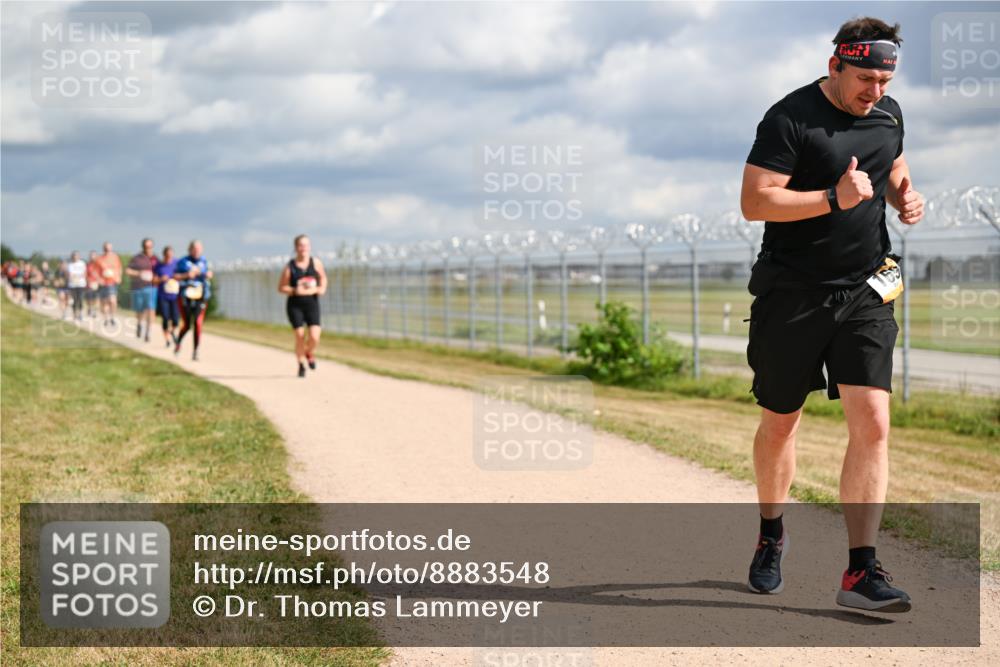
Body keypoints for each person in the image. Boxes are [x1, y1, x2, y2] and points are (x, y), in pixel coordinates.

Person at [740, 17, 924, 612]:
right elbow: (755, 201)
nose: (876, 90)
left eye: (886, 78)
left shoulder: (890, 112)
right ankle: (772, 532)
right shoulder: (789, 118)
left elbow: (892, 163)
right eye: (866, 78)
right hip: (792, 293)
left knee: (872, 422)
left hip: (868, 289)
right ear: (835, 67)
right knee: (781, 422)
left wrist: (904, 194)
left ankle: (859, 573)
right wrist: (830, 198)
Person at [278, 234, 328, 377]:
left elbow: (323, 278)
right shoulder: (290, 267)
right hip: (295, 304)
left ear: (310, 247)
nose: (303, 248)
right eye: (301, 245)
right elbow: (281, 287)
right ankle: (301, 364)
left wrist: (321, 288)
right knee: (299, 335)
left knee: (314, 336)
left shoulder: (316, 263)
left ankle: (309, 352)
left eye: (306, 245)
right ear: (296, 248)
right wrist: (294, 290)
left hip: (312, 303)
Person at [174, 240, 212, 361]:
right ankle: (178, 342)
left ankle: (196, 351)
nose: (196, 251)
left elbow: (210, 273)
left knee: (197, 322)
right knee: (187, 325)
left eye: (198, 249)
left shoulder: (204, 261)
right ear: (190, 249)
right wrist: (186, 275)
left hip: (201, 295)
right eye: (194, 249)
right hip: (186, 295)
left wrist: (206, 274)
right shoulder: (183, 262)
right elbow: (175, 276)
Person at [126, 238, 158, 342]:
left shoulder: (156, 259)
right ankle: (139, 324)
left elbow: (160, 272)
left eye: (149, 247)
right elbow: (128, 270)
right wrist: (139, 274)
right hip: (138, 288)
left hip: (152, 287)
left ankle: (148, 332)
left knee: (150, 309)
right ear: (143, 247)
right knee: (140, 310)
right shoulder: (136, 258)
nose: (148, 248)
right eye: (146, 247)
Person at [153, 245, 180, 347]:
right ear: (164, 255)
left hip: (175, 296)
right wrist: (160, 279)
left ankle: (172, 332)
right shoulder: (159, 266)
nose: (169, 258)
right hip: (163, 296)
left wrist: (178, 277)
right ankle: (167, 340)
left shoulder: (177, 264)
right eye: (167, 256)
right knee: (165, 318)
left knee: (176, 320)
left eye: (171, 256)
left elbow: (183, 275)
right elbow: (153, 280)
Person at [96, 242, 122, 326]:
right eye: (106, 249)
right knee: (104, 303)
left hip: (112, 282)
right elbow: (95, 272)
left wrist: (119, 277)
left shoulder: (115, 257)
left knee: (112, 301)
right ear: (103, 249)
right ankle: (106, 319)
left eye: (109, 249)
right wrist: (99, 279)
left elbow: (119, 268)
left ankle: (112, 317)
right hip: (103, 284)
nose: (108, 250)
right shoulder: (99, 259)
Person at [66, 251, 88, 321]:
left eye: (76, 256)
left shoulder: (82, 263)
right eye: (74, 256)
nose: (75, 257)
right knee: (74, 300)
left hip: (81, 284)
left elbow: (84, 273)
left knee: (80, 299)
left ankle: (80, 313)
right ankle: (75, 314)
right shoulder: (70, 265)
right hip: (72, 285)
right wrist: (73, 278)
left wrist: (78, 277)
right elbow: (69, 274)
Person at [85, 250, 101, 318]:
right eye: (91, 256)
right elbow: (85, 275)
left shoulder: (99, 265)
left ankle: (94, 311)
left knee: (97, 298)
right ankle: (90, 308)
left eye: (93, 256)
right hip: (89, 285)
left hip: (98, 284)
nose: (92, 257)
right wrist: (89, 282)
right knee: (89, 299)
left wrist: (98, 282)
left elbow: (102, 274)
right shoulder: (87, 265)